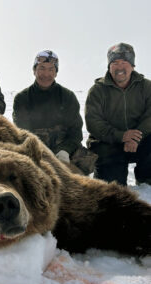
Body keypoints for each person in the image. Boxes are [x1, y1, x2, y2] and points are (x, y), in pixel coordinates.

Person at [13, 50, 97, 175]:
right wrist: (43, 155)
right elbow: (23, 134)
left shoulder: (68, 97)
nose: (46, 74)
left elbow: (75, 132)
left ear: (56, 73)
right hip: (34, 151)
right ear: (34, 70)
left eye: (51, 69)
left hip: (63, 151)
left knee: (85, 161)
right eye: (41, 68)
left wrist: (64, 150)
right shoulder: (22, 98)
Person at [85, 42, 151, 185]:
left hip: (140, 141)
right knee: (113, 188)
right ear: (109, 66)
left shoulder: (147, 87)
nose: (119, 67)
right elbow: (94, 123)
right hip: (108, 144)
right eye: (115, 62)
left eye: (124, 62)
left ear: (132, 65)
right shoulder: (97, 91)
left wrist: (135, 136)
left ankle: (146, 179)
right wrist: (121, 136)